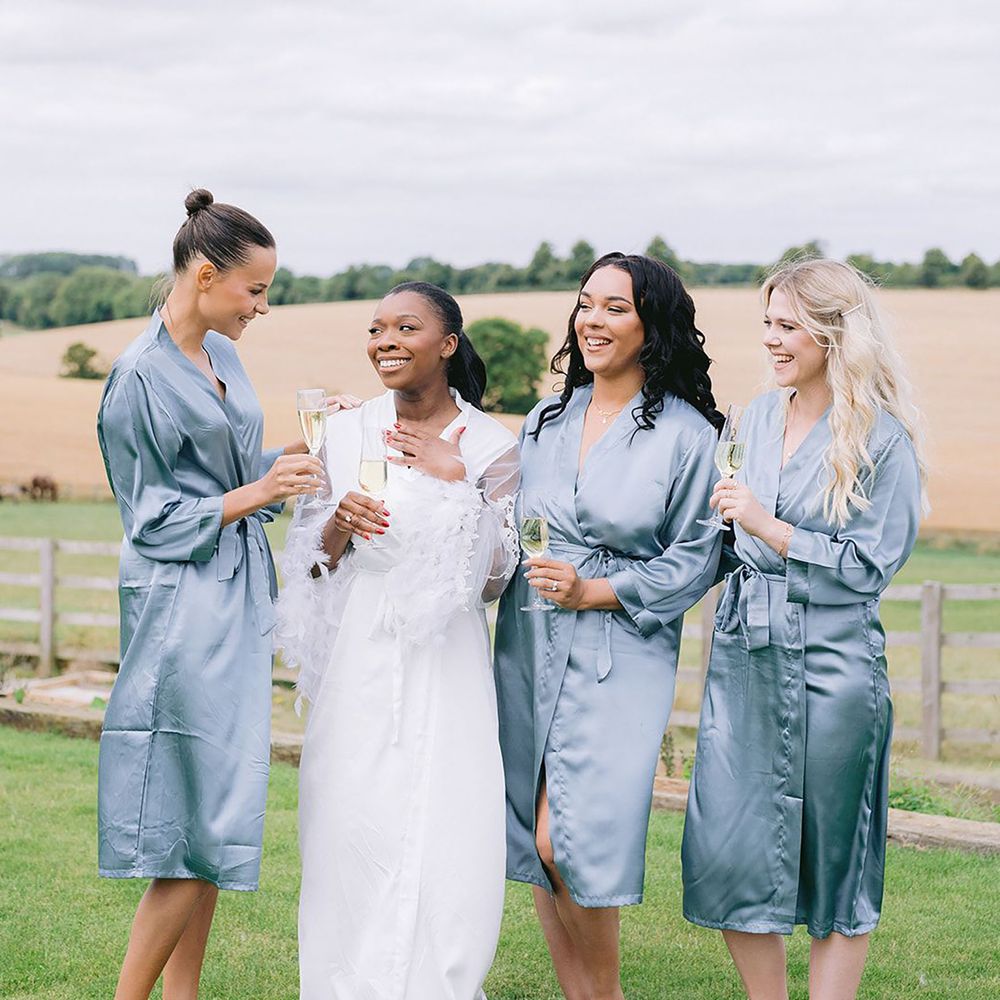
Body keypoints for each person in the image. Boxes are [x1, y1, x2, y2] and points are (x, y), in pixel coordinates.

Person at [96, 189, 325, 1000]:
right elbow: (150, 519)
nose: (263, 306)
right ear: (203, 275)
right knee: (207, 815)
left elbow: (228, 469)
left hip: (233, 596)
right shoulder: (135, 378)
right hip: (178, 607)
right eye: (255, 290)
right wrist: (260, 494)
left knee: (215, 814)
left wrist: (293, 454)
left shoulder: (222, 357)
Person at [681, 259, 927, 1000]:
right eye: (768, 324)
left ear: (833, 332)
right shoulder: (752, 418)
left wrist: (772, 527)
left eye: (788, 325)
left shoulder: (885, 441)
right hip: (744, 658)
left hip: (834, 661)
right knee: (728, 845)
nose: (772, 340)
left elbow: (869, 567)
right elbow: (715, 536)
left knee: (835, 855)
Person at [276, 281, 520, 1000]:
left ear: (446, 343)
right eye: (376, 328)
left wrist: (458, 486)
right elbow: (314, 562)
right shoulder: (344, 431)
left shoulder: (491, 445)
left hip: (447, 655)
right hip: (361, 650)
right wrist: (340, 524)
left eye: (404, 328)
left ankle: (438, 981)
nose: (385, 341)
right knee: (347, 813)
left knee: (447, 816)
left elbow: (500, 577)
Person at [494, 253, 723, 1000]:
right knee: (535, 843)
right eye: (586, 304)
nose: (593, 320)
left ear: (651, 325)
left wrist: (597, 589)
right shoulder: (546, 418)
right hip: (531, 635)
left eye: (614, 308)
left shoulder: (688, 436)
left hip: (619, 647)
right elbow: (510, 518)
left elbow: (699, 556)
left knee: (575, 838)